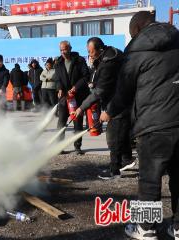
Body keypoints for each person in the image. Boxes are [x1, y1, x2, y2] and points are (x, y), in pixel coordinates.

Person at [100, 11, 179, 239]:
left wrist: (109, 112)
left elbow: (123, 92)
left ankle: (146, 228)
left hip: (154, 126)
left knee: (149, 179)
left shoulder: (136, 53)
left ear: (136, 30)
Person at [74, 37, 135, 180]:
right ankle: (127, 160)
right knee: (122, 133)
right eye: (88, 52)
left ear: (100, 49)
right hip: (122, 101)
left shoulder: (108, 63)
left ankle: (114, 171)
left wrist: (82, 108)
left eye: (91, 52)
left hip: (118, 103)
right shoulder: (110, 55)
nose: (89, 55)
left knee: (113, 137)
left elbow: (100, 90)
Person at [54, 40, 90, 155]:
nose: (63, 52)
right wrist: (59, 88)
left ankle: (77, 147)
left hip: (78, 96)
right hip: (64, 97)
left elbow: (86, 76)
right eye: (61, 50)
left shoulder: (80, 60)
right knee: (61, 122)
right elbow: (57, 79)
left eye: (65, 49)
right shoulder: (58, 63)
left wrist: (76, 87)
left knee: (77, 122)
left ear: (70, 48)